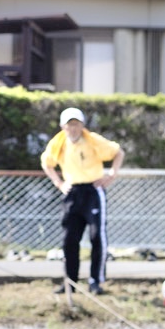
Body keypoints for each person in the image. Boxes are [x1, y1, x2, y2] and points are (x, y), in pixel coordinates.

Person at [39, 106, 123, 296]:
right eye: (70, 125)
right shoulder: (58, 144)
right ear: (63, 126)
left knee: (96, 237)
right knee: (70, 239)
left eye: (76, 124)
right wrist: (58, 183)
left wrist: (112, 174)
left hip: (93, 191)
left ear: (82, 125)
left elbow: (119, 152)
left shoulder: (92, 140)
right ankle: (70, 281)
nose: (73, 128)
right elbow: (46, 163)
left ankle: (95, 281)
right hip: (72, 191)